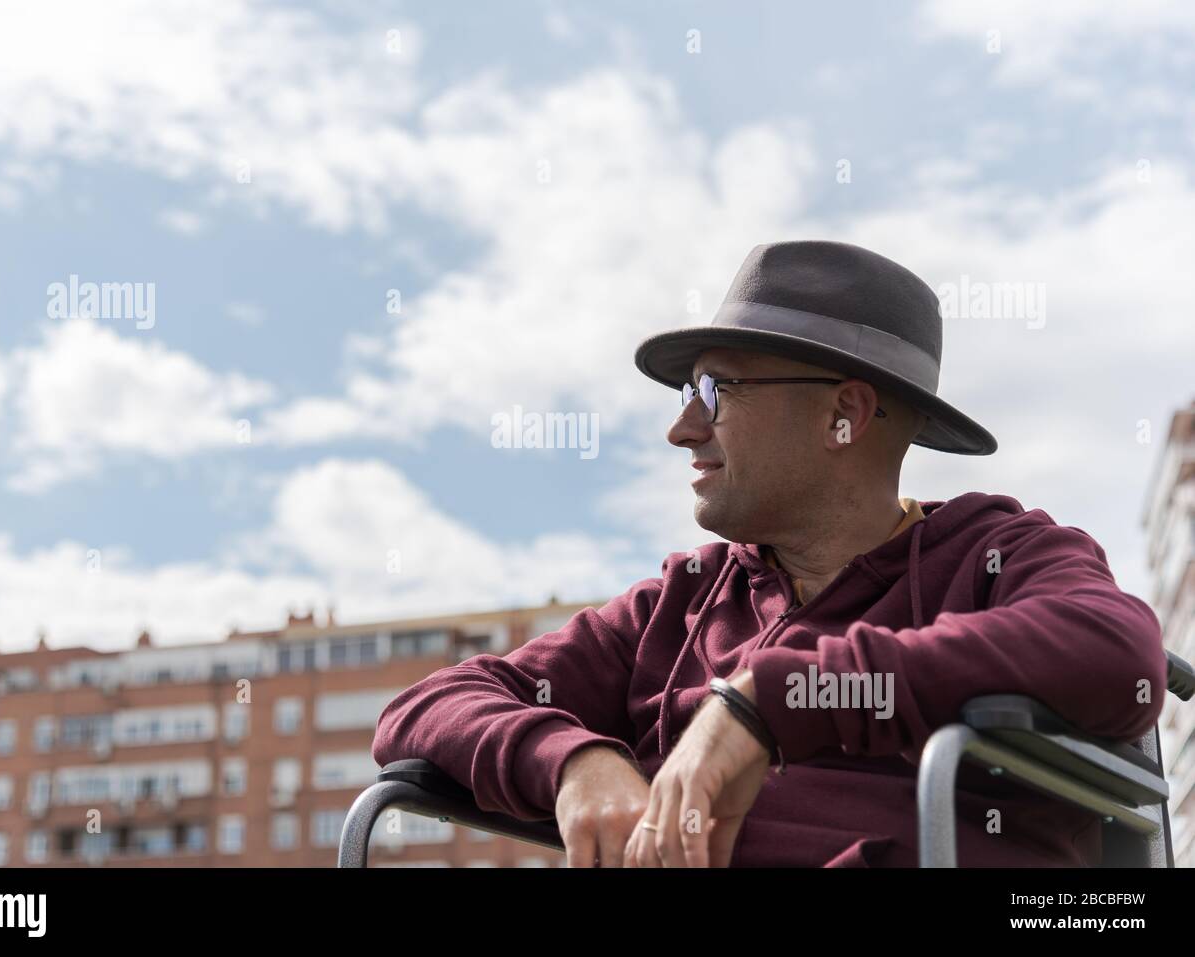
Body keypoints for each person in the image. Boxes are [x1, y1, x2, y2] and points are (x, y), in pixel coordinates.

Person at [371, 240, 1167, 867]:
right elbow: (420, 710)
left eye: (714, 391)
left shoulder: (995, 555)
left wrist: (770, 703)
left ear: (843, 416)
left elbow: (1118, 653)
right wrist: (574, 760)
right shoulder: (675, 607)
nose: (681, 428)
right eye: (684, 395)